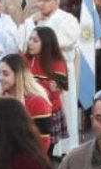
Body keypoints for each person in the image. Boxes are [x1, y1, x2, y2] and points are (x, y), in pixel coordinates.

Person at [17, 0, 79, 157]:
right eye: (40, 0)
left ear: (55, 2)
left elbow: (69, 39)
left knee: (62, 107)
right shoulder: (33, 20)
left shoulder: (67, 19)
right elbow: (22, 42)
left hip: (58, 68)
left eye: (45, 0)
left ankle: (64, 148)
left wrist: (44, 31)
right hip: (34, 69)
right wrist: (32, 24)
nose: (41, 4)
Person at [24, 26, 69, 155]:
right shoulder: (24, 59)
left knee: (45, 154)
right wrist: (42, 84)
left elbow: (53, 92)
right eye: (30, 39)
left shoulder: (57, 63)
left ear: (46, 44)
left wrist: (31, 84)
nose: (30, 43)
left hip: (48, 113)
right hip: (26, 112)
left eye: (35, 40)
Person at [0, 54, 53, 153]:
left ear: (18, 75)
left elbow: (43, 142)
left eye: (5, 74)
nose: (0, 78)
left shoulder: (37, 102)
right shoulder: (0, 99)